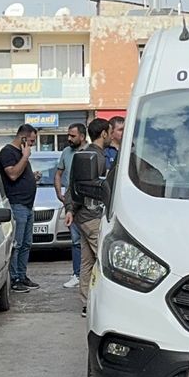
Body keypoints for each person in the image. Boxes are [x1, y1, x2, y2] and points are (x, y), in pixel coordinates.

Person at [64, 118, 110, 317]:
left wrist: (70, 210)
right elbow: (78, 187)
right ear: (104, 134)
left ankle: (86, 303)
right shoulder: (93, 157)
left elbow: (72, 185)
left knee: (87, 261)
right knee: (104, 260)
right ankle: (102, 303)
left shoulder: (88, 155)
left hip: (84, 217)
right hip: (91, 217)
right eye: (110, 131)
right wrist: (70, 209)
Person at [0, 124, 40, 293]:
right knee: (16, 244)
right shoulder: (8, 152)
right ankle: (14, 278)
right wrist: (25, 157)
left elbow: (21, 173)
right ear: (23, 138)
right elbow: (13, 174)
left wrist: (32, 177)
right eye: (31, 141)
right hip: (17, 204)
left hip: (27, 205)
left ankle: (22, 275)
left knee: (26, 244)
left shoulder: (22, 154)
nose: (32, 145)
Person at [54, 122, 87, 289]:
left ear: (82, 136)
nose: (69, 138)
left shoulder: (90, 151)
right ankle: (76, 274)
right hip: (70, 199)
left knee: (89, 240)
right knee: (75, 240)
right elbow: (58, 174)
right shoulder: (66, 152)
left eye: (72, 136)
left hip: (88, 201)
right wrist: (59, 192)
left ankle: (89, 275)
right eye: (68, 135)